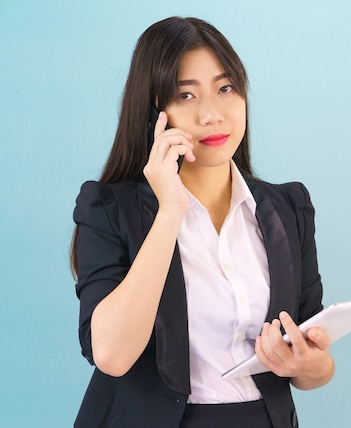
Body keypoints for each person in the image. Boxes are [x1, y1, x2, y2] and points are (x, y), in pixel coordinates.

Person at [70, 16, 334, 428]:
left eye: (225, 88)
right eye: (185, 95)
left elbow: (313, 366)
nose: (212, 114)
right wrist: (170, 212)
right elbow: (112, 356)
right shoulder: (107, 208)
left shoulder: (289, 207)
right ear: (155, 113)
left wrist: (310, 364)